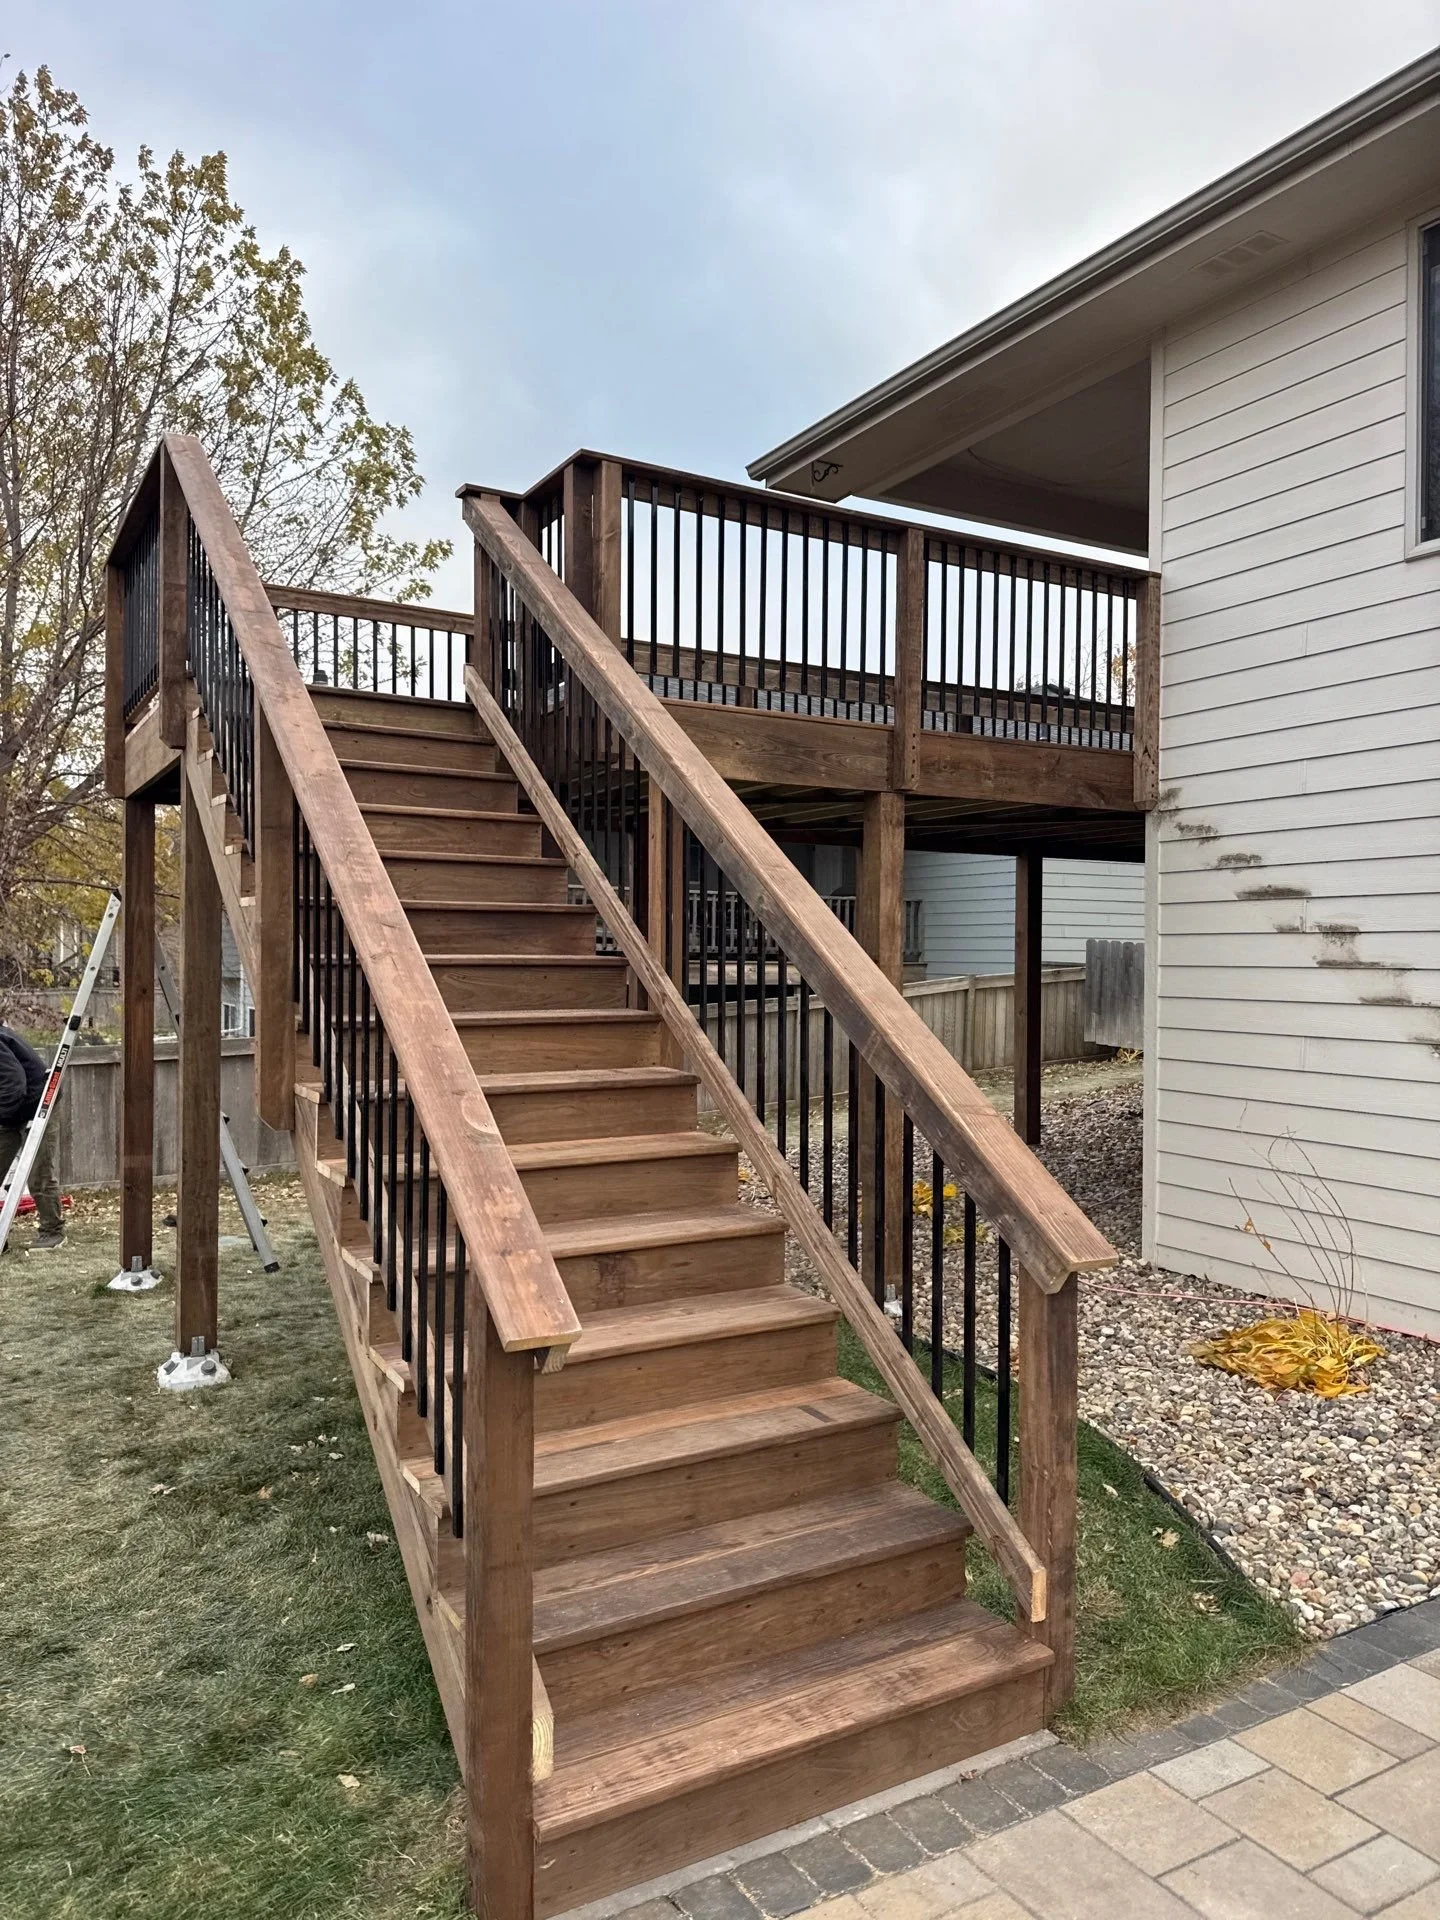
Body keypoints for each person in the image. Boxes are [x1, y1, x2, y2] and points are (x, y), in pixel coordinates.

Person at [0, 1025, 62, 1247]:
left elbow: (14, 1084)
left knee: (39, 1173)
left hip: (39, 1104)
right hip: (11, 1110)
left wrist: (2, 1114)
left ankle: (52, 1231)